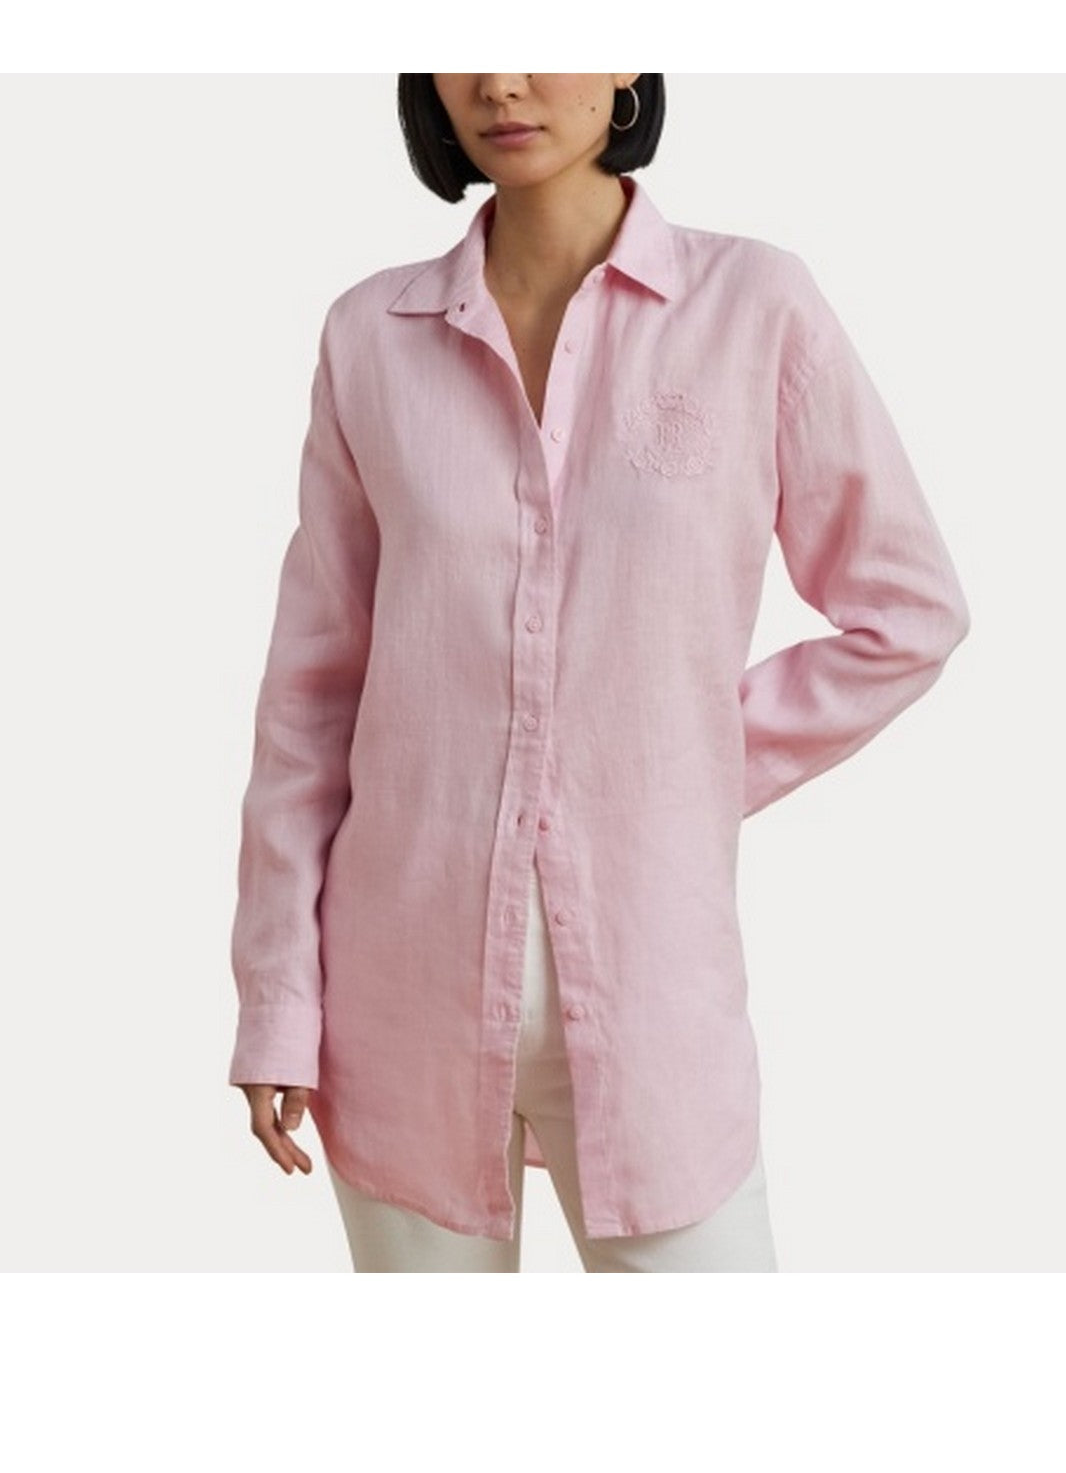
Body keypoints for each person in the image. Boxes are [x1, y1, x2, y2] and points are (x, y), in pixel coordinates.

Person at [228, 73, 970, 1273]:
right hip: (395, 1006)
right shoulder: (372, 335)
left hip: (654, 1005)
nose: (501, 82)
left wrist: (685, 760)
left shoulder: (752, 307)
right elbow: (311, 701)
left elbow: (909, 612)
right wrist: (278, 1003)